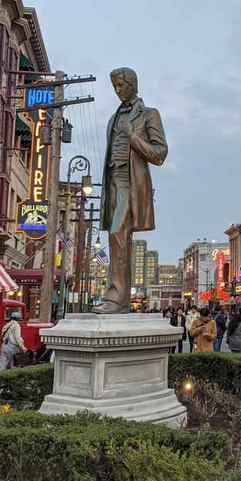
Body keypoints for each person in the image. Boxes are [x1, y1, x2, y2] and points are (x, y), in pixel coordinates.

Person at [94, 67, 168, 314]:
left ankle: (116, 299)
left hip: (130, 182)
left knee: (117, 233)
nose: (117, 90)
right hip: (112, 181)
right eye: (114, 86)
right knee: (116, 238)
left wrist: (133, 138)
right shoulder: (112, 119)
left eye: (120, 85)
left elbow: (159, 154)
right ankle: (118, 299)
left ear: (133, 85)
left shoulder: (149, 114)